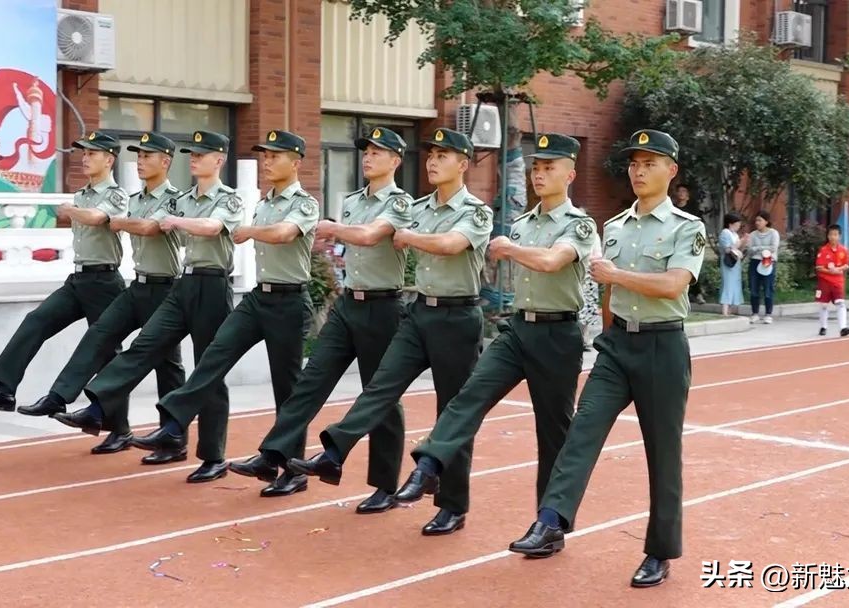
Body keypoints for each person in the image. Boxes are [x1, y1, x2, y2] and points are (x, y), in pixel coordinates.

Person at [508, 129, 706, 592]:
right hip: (617, 348)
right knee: (581, 430)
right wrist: (608, 332)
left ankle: (658, 551)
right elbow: (607, 294)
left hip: (663, 347)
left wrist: (617, 275)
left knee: (663, 453)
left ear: (670, 170)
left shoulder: (687, 227)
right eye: (635, 163)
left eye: (650, 163)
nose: (639, 170)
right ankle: (551, 520)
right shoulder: (613, 226)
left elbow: (674, 284)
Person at [287, 128, 492, 537]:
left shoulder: (476, 211)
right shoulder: (414, 206)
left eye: (444, 155)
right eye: (431, 154)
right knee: (380, 387)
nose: (433, 161)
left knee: (451, 412)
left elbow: (452, 245)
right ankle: (334, 452)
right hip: (418, 314)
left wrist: (410, 236)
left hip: (458, 318)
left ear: (463, 165)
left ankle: (451, 504)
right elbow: (379, 231)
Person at [393, 133, 597, 523]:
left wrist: (511, 249)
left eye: (548, 167)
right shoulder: (522, 223)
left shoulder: (580, 225)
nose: (538, 174)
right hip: (518, 330)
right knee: (470, 394)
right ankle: (428, 466)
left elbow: (555, 260)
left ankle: (549, 521)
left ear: (570, 174)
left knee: (553, 433)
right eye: (535, 167)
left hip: (558, 336)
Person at [227, 126, 413, 507]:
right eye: (366, 151)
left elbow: (369, 236)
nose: (368, 157)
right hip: (348, 305)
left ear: (395, 161)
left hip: (382, 307)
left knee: (380, 397)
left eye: (377, 152)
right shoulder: (353, 201)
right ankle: (275, 455)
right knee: (310, 382)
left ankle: (385, 485)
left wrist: (334, 228)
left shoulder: (400, 203)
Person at [127, 130, 318, 491]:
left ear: (295, 162)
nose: (267, 162)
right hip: (259, 298)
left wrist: (249, 231)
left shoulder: (303, 203)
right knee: (215, 356)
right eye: (264, 156)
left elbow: (283, 234)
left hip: (290, 302)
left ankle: (288, 467)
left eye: (274, 156)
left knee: (287, 388)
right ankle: (173, 422)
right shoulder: (264, 202)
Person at [53, 130, 242, 471]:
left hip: (213, 288)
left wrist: (174, 222)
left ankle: (212, 455)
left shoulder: (229, 199)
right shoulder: (181, 198)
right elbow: (152, 224)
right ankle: (98, 406)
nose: (194, 159)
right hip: (183, 284)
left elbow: (212, 227)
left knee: (207, 371)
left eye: (201, 154)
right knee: (144, 345)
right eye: (192, 154)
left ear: (219, 159)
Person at [18, 133, 187, 455]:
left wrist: (112, 220)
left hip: (167, 288)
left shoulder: (174, 200)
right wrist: (117, 220)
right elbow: (120, 223)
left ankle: (173, 434)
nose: (140, 162)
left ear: (165, 162)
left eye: (147, 157)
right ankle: (61, 397)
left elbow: (148, 228)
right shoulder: (135, 200)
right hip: (138, 283)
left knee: (167, 365)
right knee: (100, 335)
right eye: (138, 156)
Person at [0, 131, 128, 413]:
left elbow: (96, 217)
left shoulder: (116, 195)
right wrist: (74, 207)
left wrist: (70, 210)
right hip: (78, 280)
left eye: (92, 153)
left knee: (107, 352)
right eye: (84, 153)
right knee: (37, 320)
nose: (85, 158)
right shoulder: (82, 194)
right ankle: (4, 389)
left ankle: (116, 425)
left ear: (109, 160)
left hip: (104, 282)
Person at [815, 224, 849, 337]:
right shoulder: (823, 250)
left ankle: (843, 328)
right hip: (824, 281)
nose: (833, 237)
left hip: (838, 281)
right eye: (831, 234)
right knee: (824, 305)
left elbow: (846, 265)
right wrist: (829, 271)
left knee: (840, 303)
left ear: (840, 236)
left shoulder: (843, 250)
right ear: (827, 236)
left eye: (835, 234)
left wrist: (839, 269)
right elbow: (818, 267)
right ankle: (823, 327)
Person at [747, 210, 780, 324]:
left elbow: (773, 248)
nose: (757, 222)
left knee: (768, 288)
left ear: (766, 221)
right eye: (756, 220)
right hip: (755, 262)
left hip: (768, 262)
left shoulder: (773, 233)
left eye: (760, 220)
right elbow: (750, 250)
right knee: (754, 288)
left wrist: (758, 248)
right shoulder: (752, 235)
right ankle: (755, 313)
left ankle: (768, 314)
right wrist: (762, 248)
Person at [718, 212, 746, 316]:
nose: (738, 226)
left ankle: (729, 310)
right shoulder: (725, 233)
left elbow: (739, 249)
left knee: (734, 284)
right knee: (728, 285)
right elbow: (728, 249)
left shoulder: (734, 234)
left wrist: (744, 242)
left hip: (735, 263)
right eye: (737, 224)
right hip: (728, 263)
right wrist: (741, 241)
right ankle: (725, 310)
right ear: (730, 224)